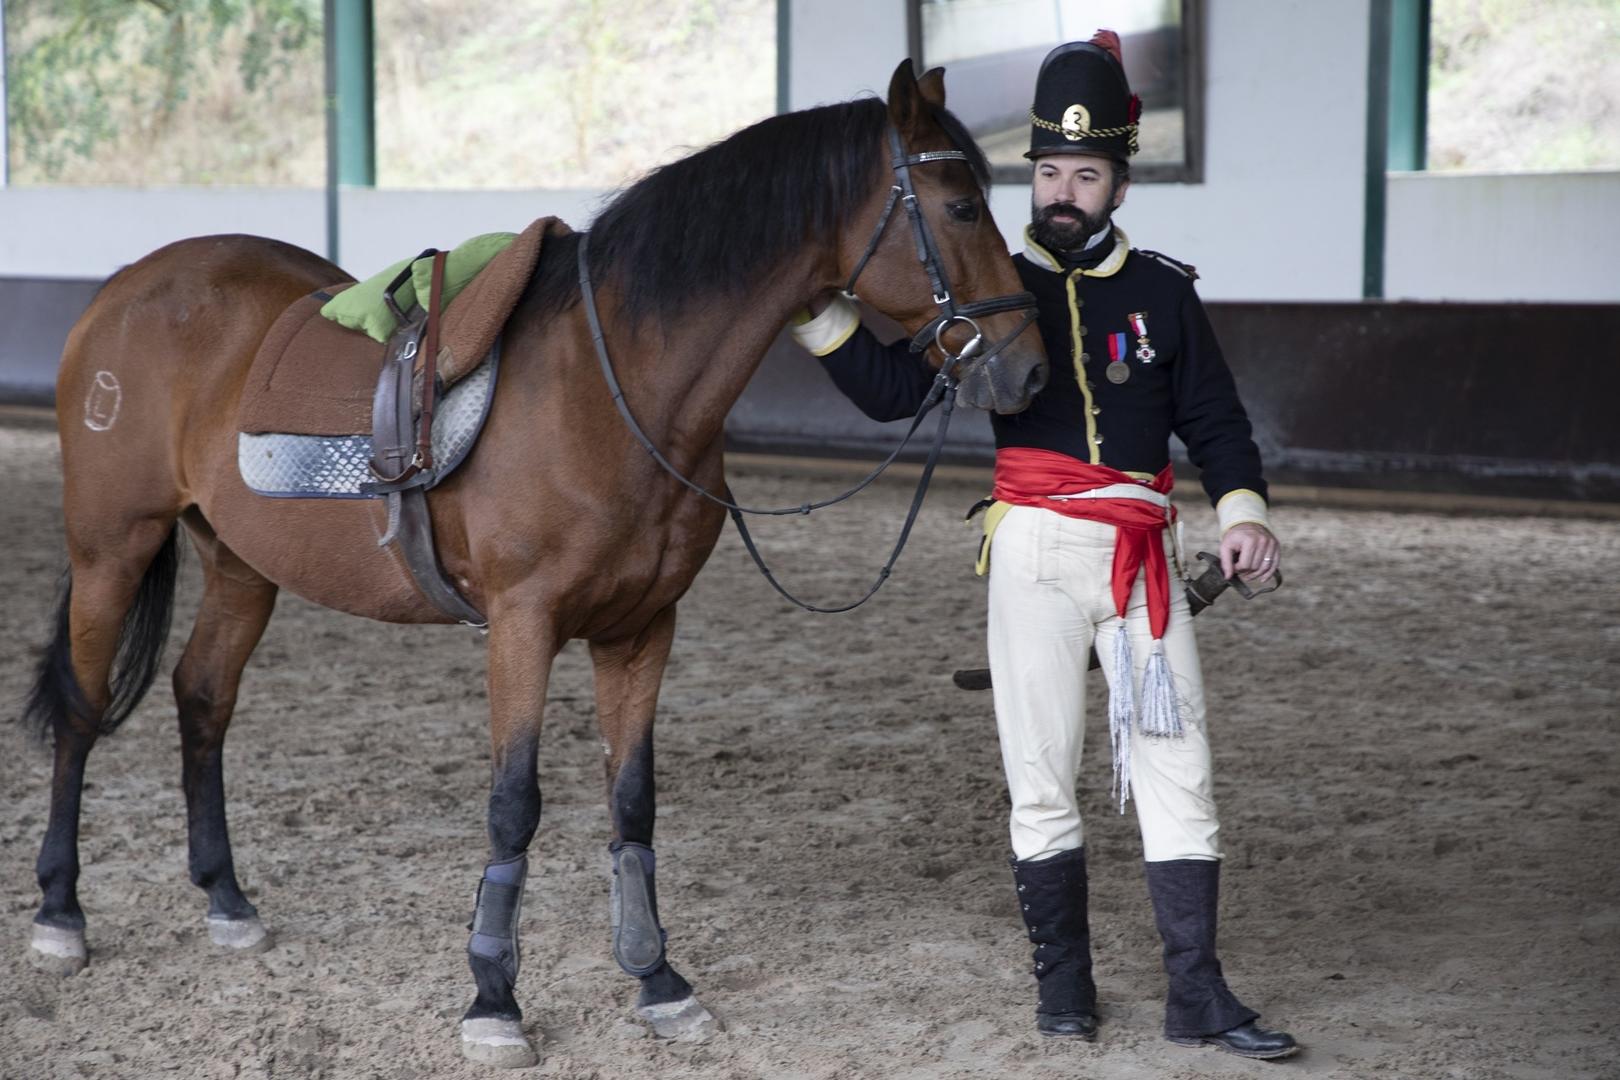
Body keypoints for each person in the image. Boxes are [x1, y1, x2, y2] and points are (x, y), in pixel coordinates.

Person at [789, 34, 1299, 1061]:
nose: (1064, 190)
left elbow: (1215, 421)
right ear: (1035, 174)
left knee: (1179, 769)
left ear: (1118, 181)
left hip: (1144, 558)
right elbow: (894, 393)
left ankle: (1196, 992)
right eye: (1051, 172)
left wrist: (1243, 513)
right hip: (1032, 555)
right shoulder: (990, 289)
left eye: (1087, 174)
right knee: (1041, 775)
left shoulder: (1163, 293)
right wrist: (812, 305)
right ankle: (1063, 988)